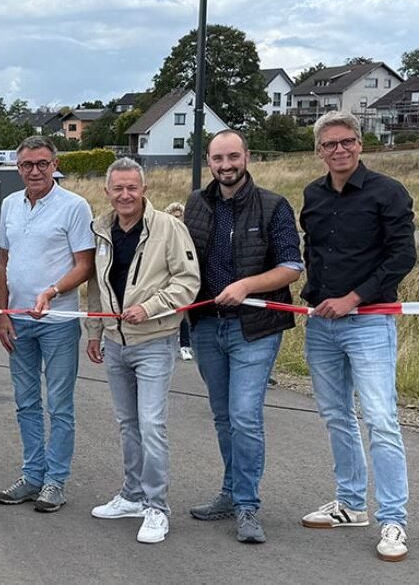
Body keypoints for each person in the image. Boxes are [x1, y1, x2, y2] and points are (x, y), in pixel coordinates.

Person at [297, 111, 416, 562]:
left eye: (346, 141)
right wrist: (317, 299)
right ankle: (350, 504)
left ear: (360, 144)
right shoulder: (313, 194)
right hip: (322, 325)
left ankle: (393, 520)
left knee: (382, 421)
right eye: (329, 144)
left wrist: (353, 297)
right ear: (319, 150)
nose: (339, 150)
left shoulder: (388, 192)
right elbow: (316, 251)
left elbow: (402, 255)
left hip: (368, 322)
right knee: (336, 416)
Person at [182, 130, 303, 544]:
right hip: (207, 326)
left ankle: (248, 506)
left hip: (254, 329)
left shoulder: (273, 205)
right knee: (222, 416)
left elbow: (291, 266)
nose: (226, 165)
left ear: (246, 157)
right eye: (218, 158)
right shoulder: (196, 203)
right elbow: (183, 263)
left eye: (233, 156)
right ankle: (230, 493)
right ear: (209, 161)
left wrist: (247, 286)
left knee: (245, 417)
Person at [85, 157, 199, 544]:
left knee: (152, 424)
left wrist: (149, 308)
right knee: (127, 424)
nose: (125, 195)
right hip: (116, 344)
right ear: (107, 191)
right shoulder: (101, 229)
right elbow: (97, 288)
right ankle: (132, 495)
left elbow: (188, 282)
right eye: (118, 188)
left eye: (132, 187)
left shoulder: (169, 228)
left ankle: (157, 507)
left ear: (144, 189)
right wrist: (94, 331)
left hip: (154, 341)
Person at [0, 136, 94, 513]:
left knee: (60, 404)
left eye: (41, 163)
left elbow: (84, 265)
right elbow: (3, 263)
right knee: (26, 402)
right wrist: (2, 313)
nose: (34, 171)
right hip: (19, 321)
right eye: (26, 165)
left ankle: (55, 481)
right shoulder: (9, 205)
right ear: (18, 168)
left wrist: (52, 291)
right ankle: (32, 474)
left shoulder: (74, 207)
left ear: (55, 165)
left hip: (58, 321)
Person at [162, 202, 194, 361]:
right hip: (166, 282)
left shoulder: (187, 232)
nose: (178, 219)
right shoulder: (163, 233)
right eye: (174, 216)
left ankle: (185, 345)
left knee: (184, 314)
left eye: (180, 216)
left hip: (181, 280)